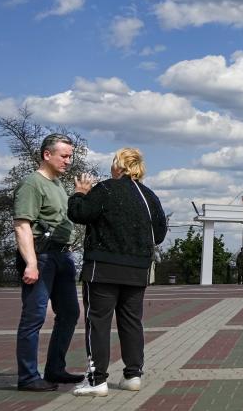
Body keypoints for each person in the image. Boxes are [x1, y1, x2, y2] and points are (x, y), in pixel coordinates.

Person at [67, 147, 168, 397]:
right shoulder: (149, 196)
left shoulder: (105, 189)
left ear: (118, 166)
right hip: (138, 269)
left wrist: (79, 194)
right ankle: (133, 375)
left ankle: (96, 379)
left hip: (103, 268)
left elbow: (79, 214)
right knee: (131, 321)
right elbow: (160, 233)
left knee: (98, 322)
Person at [13, 133, 84, 392]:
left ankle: (55, 368)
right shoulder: (32, 184)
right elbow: (22, 226)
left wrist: (79, 196)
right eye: (64, 156)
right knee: (34, 316)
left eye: (70, 156)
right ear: (47, 154)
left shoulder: (56, 184)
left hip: (62, 256)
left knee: (70, 312)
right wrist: (30, 263)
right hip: (41, 257)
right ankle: (28, 377)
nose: (69, 161)